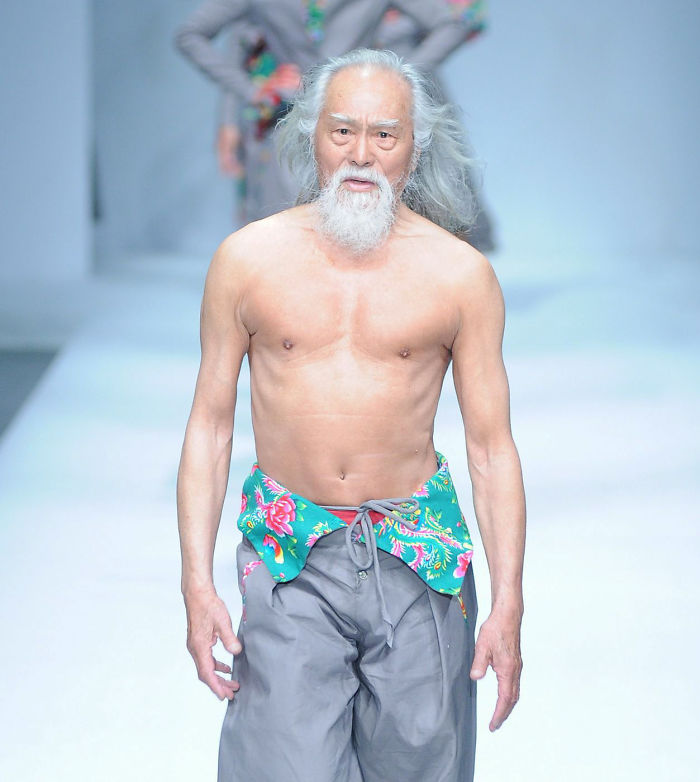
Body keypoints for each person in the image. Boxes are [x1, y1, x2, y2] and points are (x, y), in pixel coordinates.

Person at [176, 48, 525, 782]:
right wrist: (195, 583)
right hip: (290, 555)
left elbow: (491, 448)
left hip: (419, 560)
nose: (361, 154)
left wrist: (509, 601)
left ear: (415, 147)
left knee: (420, 769)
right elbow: (210, 427)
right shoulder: (247, 261)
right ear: (312, 135)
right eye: (342, 131)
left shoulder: (460, 276)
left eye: (384, 135)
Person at [174, 0, 493, 245]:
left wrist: (390, 79)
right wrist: (250, 91)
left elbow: (453, 24)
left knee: (367, 232)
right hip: (288, 122)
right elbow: (204, 37)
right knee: (282, 236)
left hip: (358, 120)